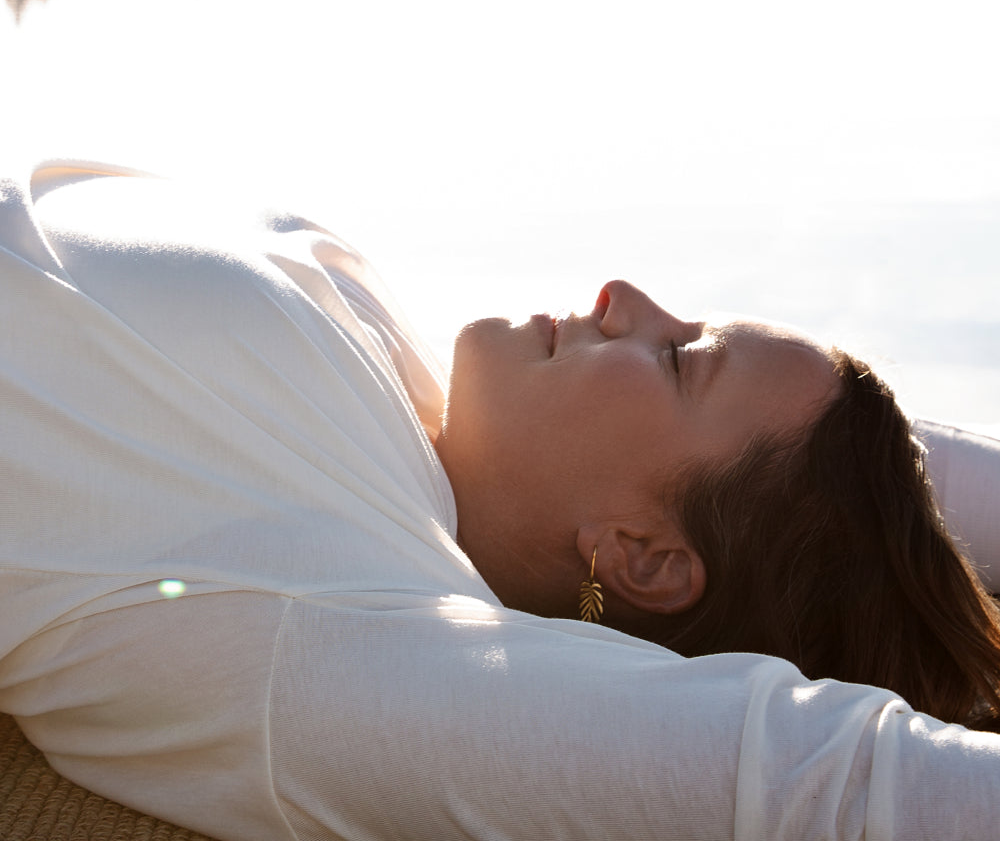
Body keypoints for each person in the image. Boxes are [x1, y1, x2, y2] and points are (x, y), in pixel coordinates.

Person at [2, 158, 1000, 841]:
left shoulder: (341, 631)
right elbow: (893, 467)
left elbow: (817, 780)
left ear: (643, 553)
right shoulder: (439, 411)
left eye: (678, 357)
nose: (622, 296)